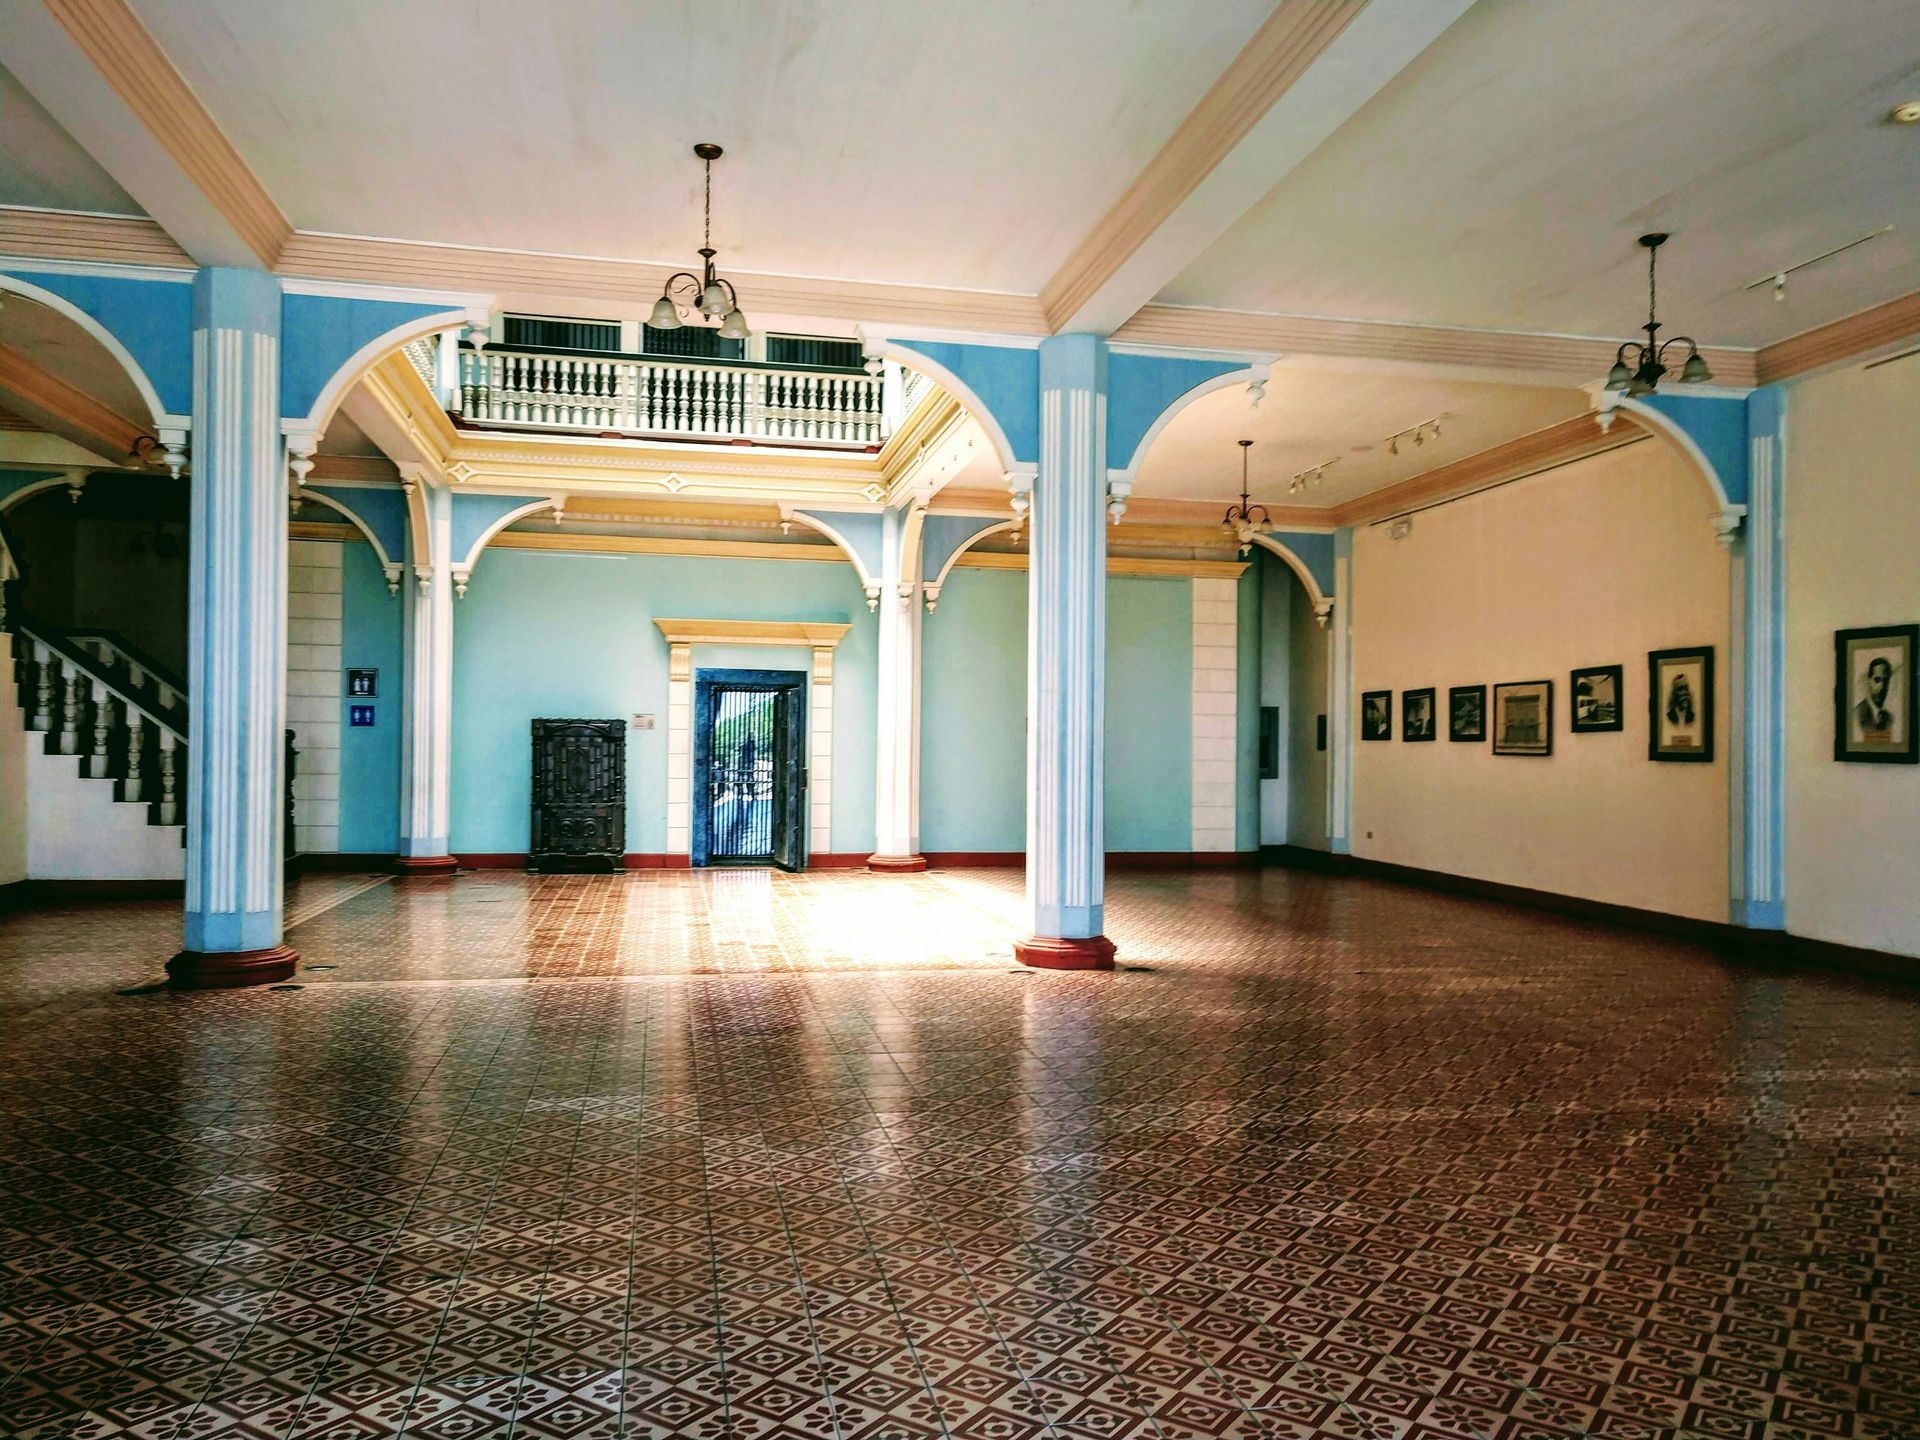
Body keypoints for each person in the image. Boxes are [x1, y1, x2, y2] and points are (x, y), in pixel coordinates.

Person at [1857, 655, 1896, 738]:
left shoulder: (1889, 719)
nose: (1882, 687)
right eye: (1877, 680)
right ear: (1868, 681)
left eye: (1886, 681)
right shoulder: (1856, 715)